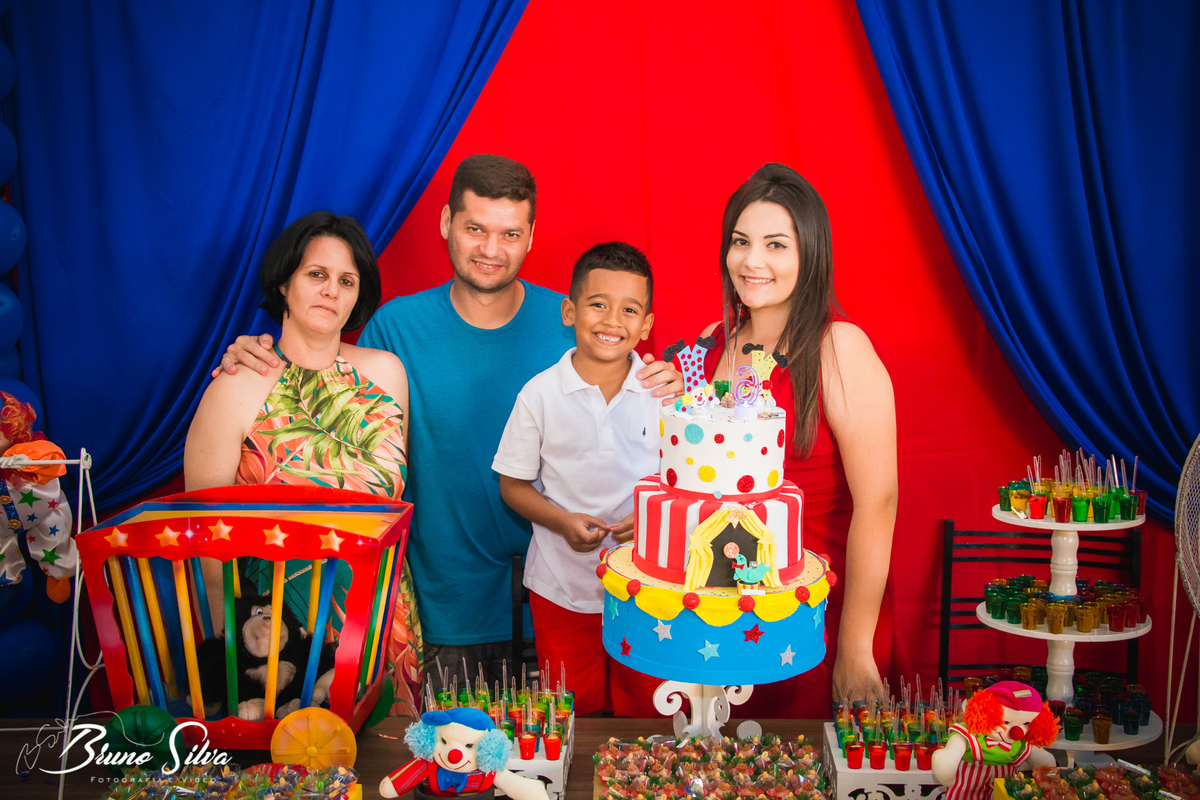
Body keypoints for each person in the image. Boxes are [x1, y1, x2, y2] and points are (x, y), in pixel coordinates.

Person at [215, 155, 683, 696]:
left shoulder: (581, 322)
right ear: (446, 223)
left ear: (531, 237)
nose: (491, 249)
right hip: (443, 615)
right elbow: (321, 379)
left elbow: (642, 399)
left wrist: (668, 382)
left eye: (510, 234)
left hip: (569, 603)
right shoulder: (396, 328)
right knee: (450, 750)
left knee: (582, 743)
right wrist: (255, 354)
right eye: (475, 229)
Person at [184, 210, 423, 715]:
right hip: (278, 639)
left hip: (381, 620)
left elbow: (396, 500)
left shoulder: (387, 375)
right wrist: (232, 655)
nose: (331, 290)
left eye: (346, 280)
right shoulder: (234, 388)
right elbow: (204, 540)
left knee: (385, 758)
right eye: (317, 274)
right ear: (284, 282)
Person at [699, 163, 897, 713]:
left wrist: (854, 647)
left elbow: (879, 502)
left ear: (811, 253)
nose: (752, 261)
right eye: (740, 241)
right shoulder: (711, 344)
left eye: (776, 245)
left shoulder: (839, 347)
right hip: (719, 613)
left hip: (814, 614)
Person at [493, 242, 664, 715]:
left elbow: (687, 482)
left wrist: (651, 517)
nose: (613, 321)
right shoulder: (539, 395)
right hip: (561, 588)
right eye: (598, 304)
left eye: (630, 310)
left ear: (646, 325)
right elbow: (512, 486)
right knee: (573, 710)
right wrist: (562, 521)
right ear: (570, 311)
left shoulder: (665, 395)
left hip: (649, 590)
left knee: (647, 707)